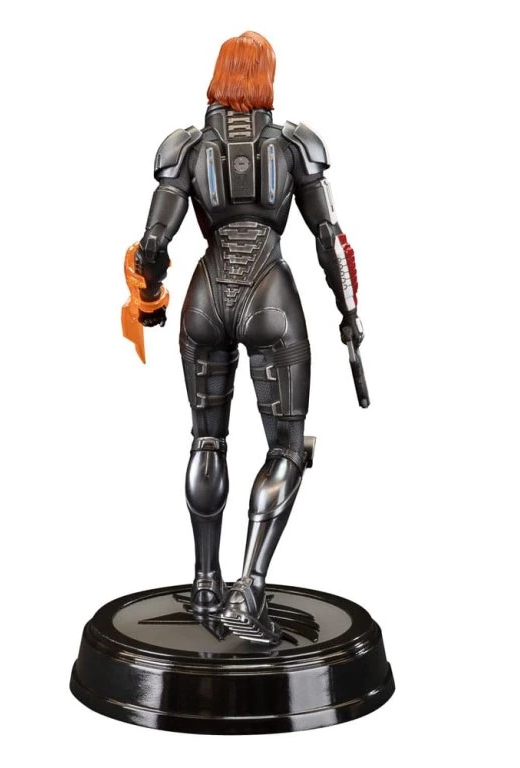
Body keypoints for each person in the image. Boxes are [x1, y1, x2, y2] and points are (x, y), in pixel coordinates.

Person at [123, 31, 364, 644]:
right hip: (268, 296)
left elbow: (152, 244)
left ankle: (206, 583)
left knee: (207, 439)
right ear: (267, 79)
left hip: (206, 298)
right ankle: (247, 591)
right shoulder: (294, 145)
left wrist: (148, 299)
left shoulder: (186, 147)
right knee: (287, 449)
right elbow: (330, 239)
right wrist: (349, 315)